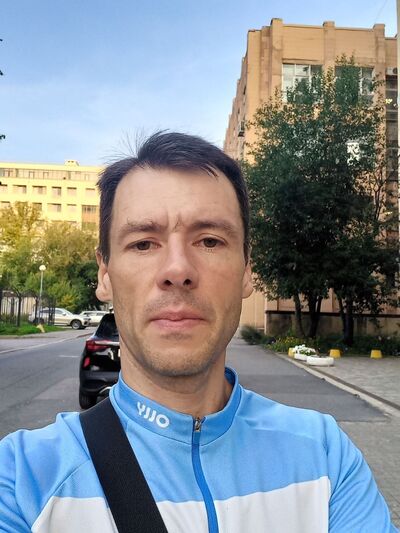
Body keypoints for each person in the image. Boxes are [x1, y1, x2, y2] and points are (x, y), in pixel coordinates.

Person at [0, 132, 397, 533]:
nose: (177, 270)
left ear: (247, 271)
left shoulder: (325, 458)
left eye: (209, 240)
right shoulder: (22, 480)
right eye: (143, 244)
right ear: (105, 274)